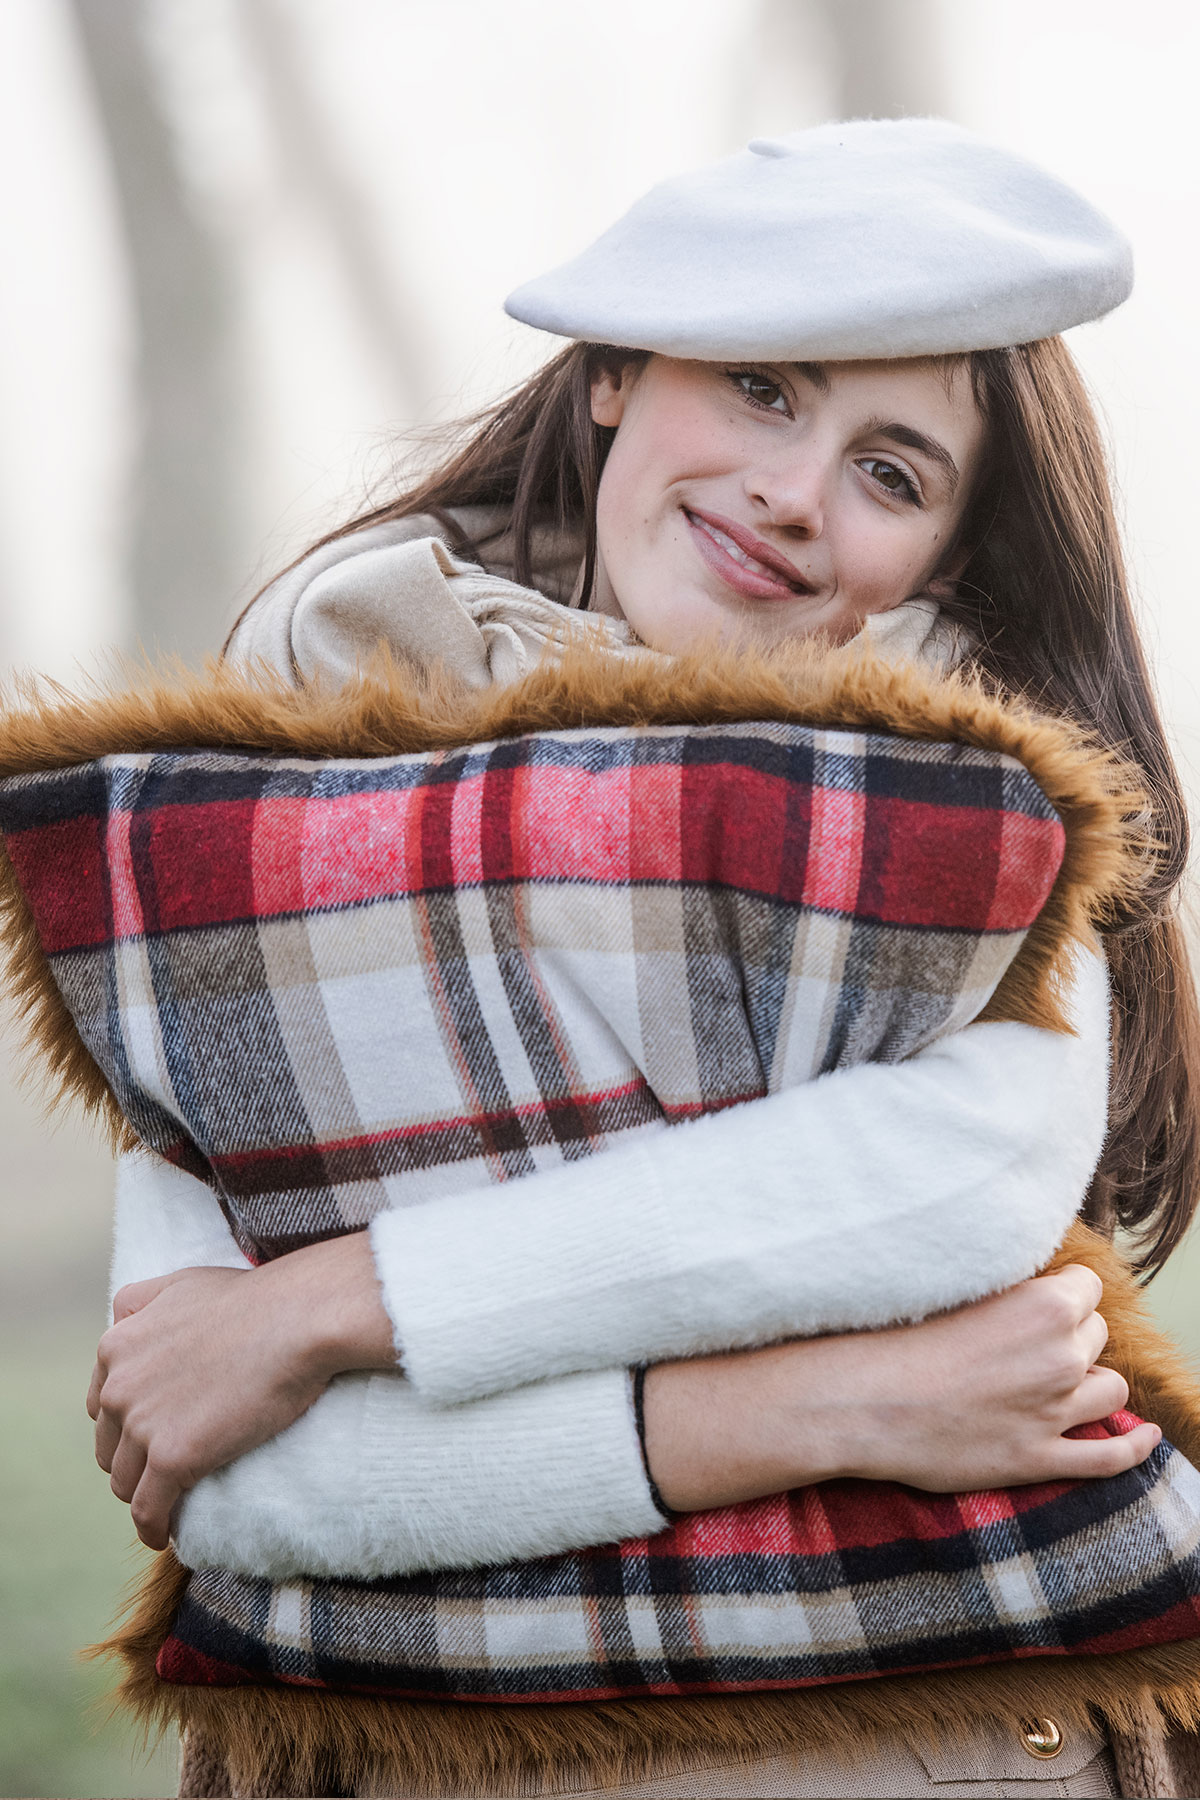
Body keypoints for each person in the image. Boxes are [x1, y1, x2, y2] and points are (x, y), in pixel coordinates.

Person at [86, 120, 1200, 1797]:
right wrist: (848, 1405)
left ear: (946, 562)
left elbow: (958, 1187)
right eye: (764, 388)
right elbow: (245, 1481)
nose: (793, 493)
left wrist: (333, 1304)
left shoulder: (968, 821)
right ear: (615, 370)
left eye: (890, 471)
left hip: (926, 1747)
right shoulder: (270, 792)